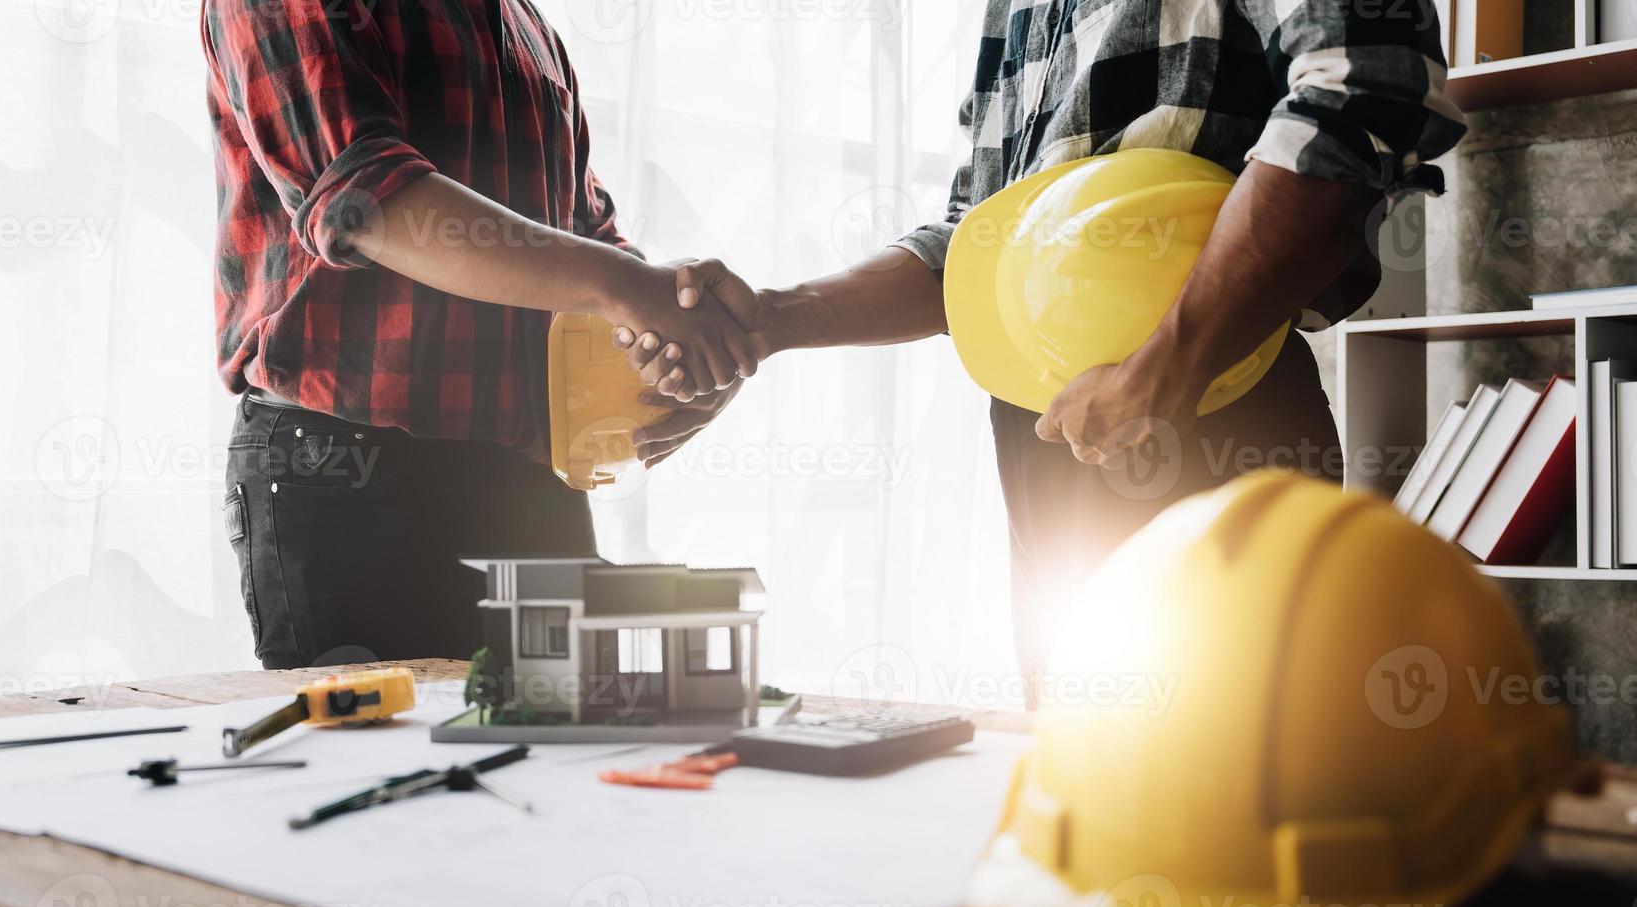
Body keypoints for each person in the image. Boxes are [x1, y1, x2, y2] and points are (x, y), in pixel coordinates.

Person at [615, 0, 1464, 678]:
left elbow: (1366, 83)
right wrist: (770, 319)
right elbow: (978, 234)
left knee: (1250, 795)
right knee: (1086, 796)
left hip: (1214, 411)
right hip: (1050, 430)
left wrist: (1167, 364)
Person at [201, 0, 753, 669]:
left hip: (525, 475)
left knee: (556, 755)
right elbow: (365, 202)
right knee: (369, 760)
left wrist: (675, 359)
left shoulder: (524, 24)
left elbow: (586, 233)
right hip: (341, 470)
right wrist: (636, 296)